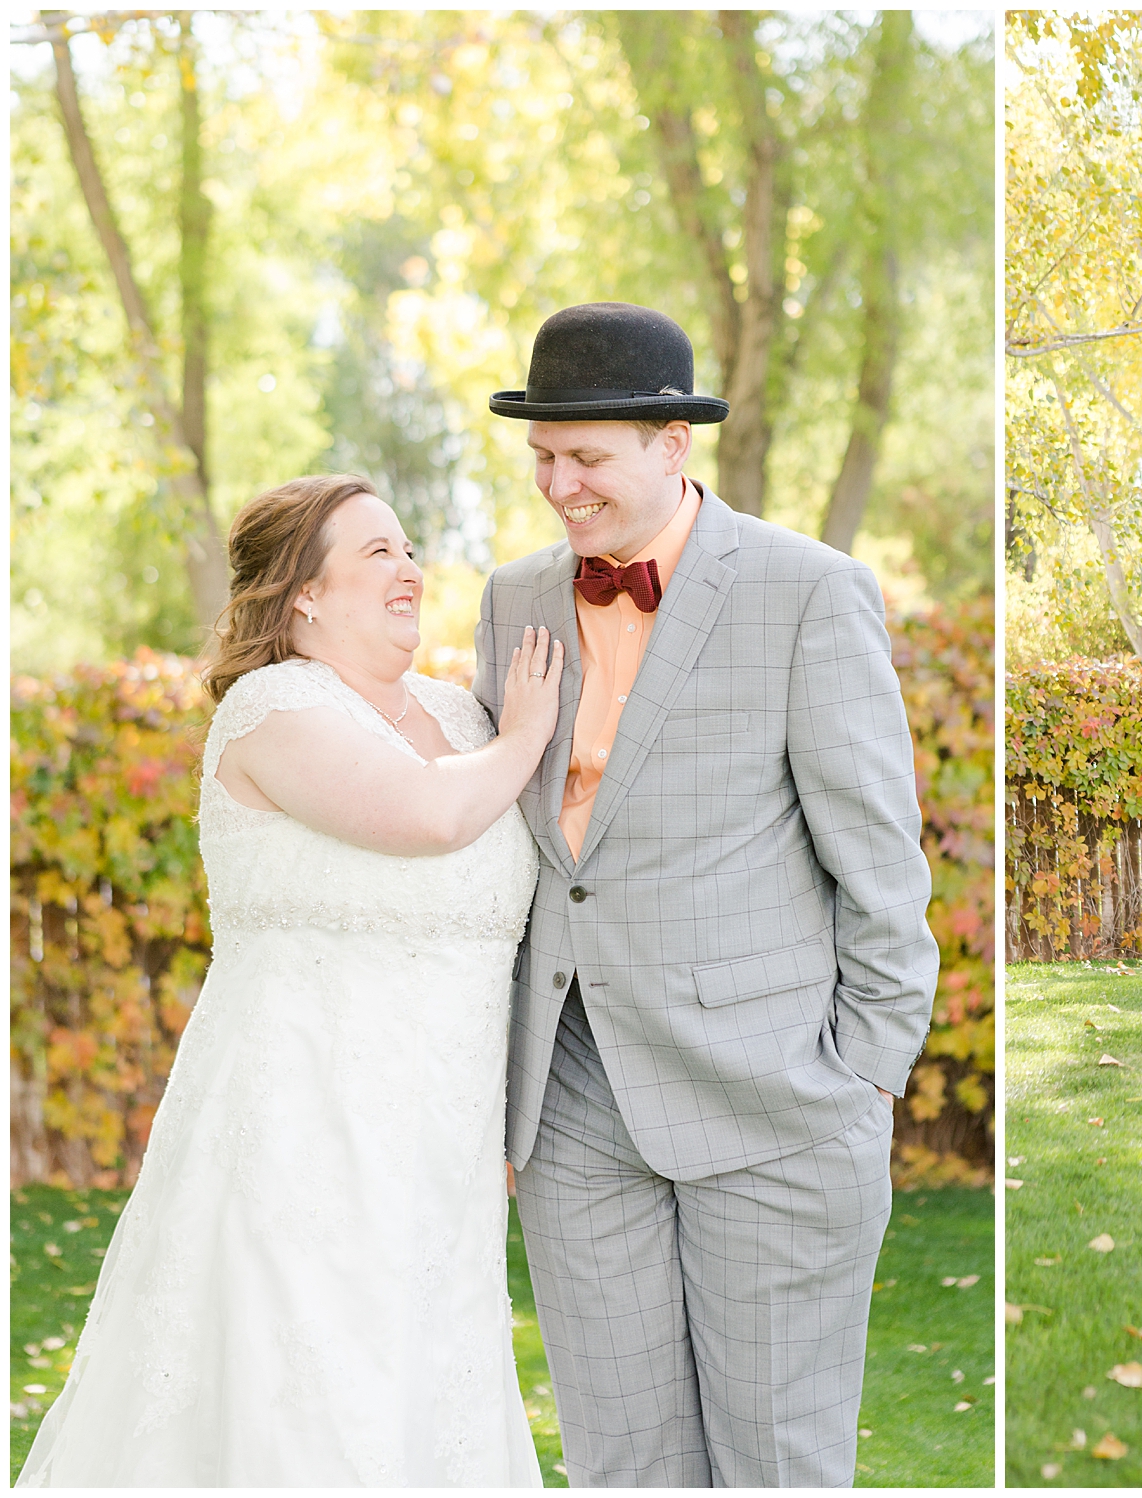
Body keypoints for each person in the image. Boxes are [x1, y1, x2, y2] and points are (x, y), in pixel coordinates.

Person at [18, 475, 562, 1486]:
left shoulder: (461, 712)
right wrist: (531, 735)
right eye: (377, 553)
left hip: (442, 1151)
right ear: (304, 593)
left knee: (425, 1392)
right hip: (302, 1133)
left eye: (408, 549)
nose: (410, 569)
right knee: (306, 1398)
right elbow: (424, 818)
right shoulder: (273, 712)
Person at [477, 301, 939, 1487]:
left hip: (776, 1097)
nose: (557, 484)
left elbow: (879, 861)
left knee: (775, 1460)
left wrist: (866, 1072)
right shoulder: (512, 600)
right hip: (573, 1097)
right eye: (542, 457)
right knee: (619, 1461)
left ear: (671, 445)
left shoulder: (807, 591)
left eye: (585, 456)